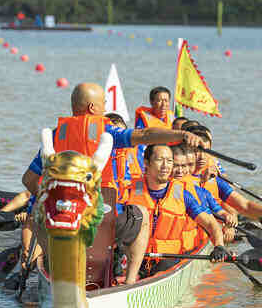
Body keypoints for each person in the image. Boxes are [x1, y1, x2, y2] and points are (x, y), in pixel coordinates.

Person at [21, 83, 207, 262]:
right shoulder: (107, 132)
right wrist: (180, 135)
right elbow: (145, 135)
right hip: (101, 217)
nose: (106, 107)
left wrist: (53, 198)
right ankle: (130, 280)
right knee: (141, 214)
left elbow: (28, 179)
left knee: (39, 209)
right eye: (104, 103)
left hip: (62, 214)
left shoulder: (55, 136)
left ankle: (46, 261)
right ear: (93, 107)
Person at [123, 144, 234, 285]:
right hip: (131, 257)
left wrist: (219, 245)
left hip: (167, 259)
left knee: (160, 272)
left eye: (169, 161)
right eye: (159, 160)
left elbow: (211, 224)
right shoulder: (129, 190)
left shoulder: (182, 194)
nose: (165, 166)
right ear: (146, 163)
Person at [134, 86, 175, 171]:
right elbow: (139, 146)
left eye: (166, 101)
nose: (163, 105)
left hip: (168, 160)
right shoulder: (144, 119)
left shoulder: (173, 118)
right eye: (159, 101)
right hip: (153, 160)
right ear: (152, 102)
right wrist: (142, 167)